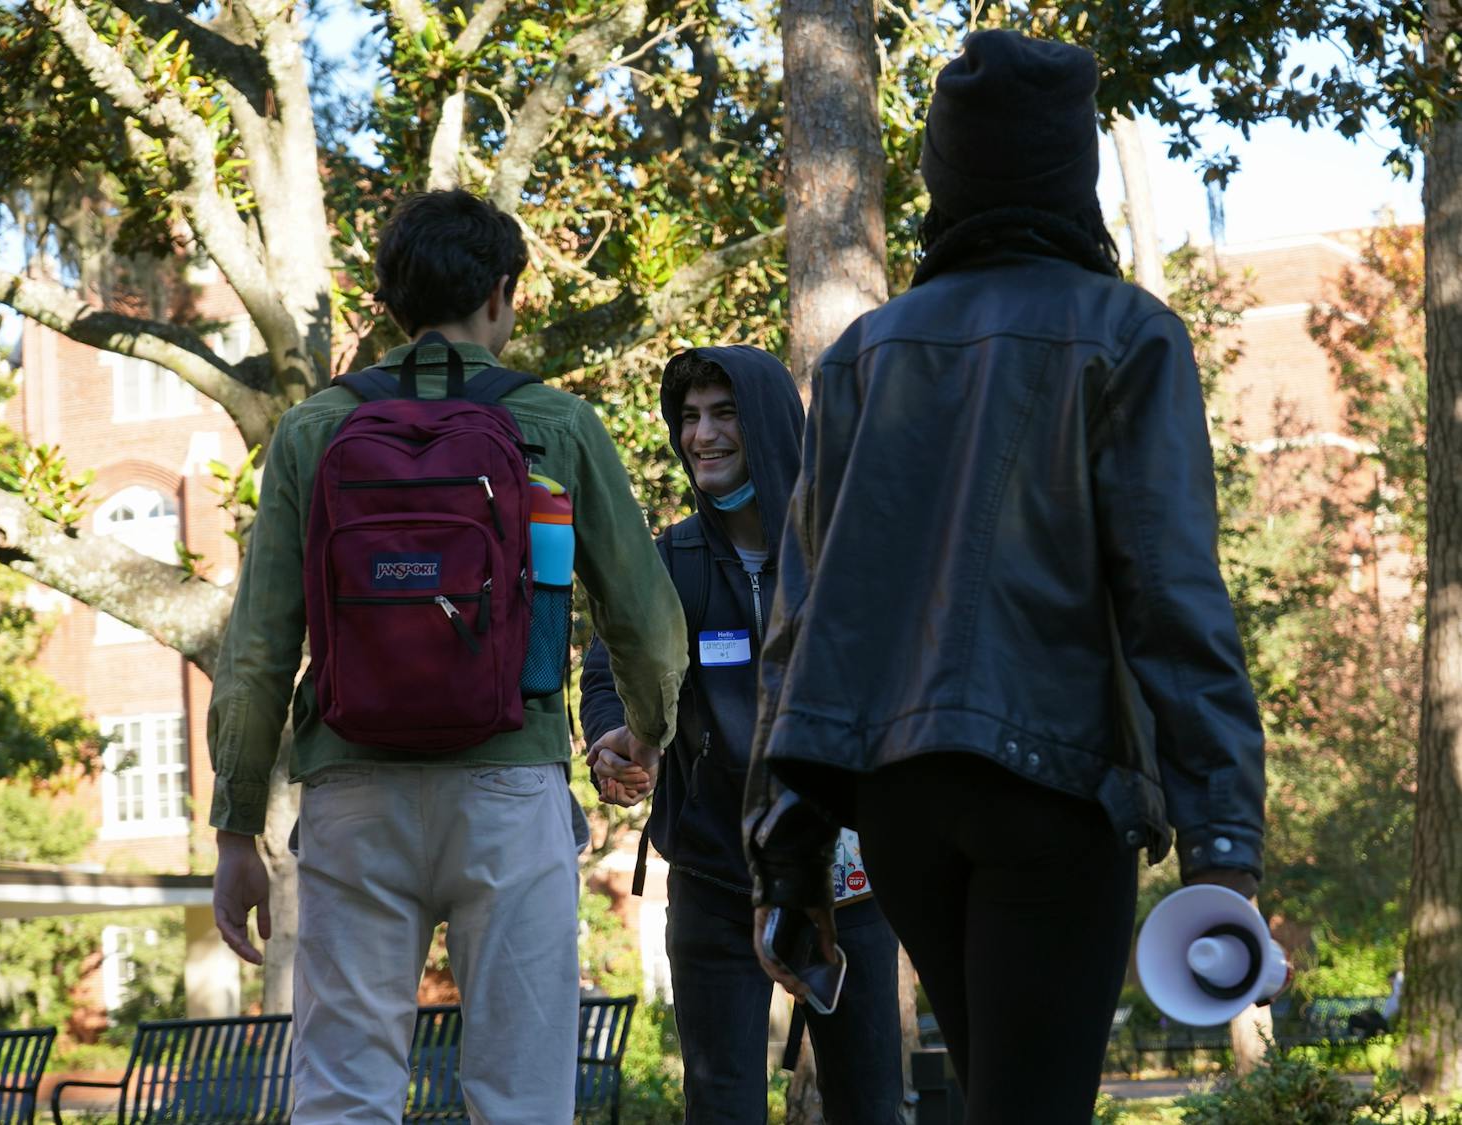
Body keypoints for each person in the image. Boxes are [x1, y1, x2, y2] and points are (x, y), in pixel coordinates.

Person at [742, 30, 1267, 1124]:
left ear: (945, 175)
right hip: (1052, 785)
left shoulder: (864, 357)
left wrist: (785, 849)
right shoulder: (1126, 335)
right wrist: (1222, 840)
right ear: (1071, 171)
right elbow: (1172, 594)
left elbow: (800, 618)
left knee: (997, 1094)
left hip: (898, 801)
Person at [207, 189, 687, 1124]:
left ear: (387, 303)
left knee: (344, 1095)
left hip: (352, 794)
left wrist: (236, 828)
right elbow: (646, 620)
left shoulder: (314, 430)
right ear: (503, 296)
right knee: (520, 1096)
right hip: (510, 786)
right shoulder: (558, 424)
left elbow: (260, 645)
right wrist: (648, 731)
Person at [579, 347, 904, 1125]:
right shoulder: (670, 560)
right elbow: (605, 674)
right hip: (714, 878)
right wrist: (610, 741)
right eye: (689, 417)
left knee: (870, 1105)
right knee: (721, 1105)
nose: (703, 435)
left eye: (724, 413)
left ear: (764, 420)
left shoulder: (846, 552)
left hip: (848, 880)